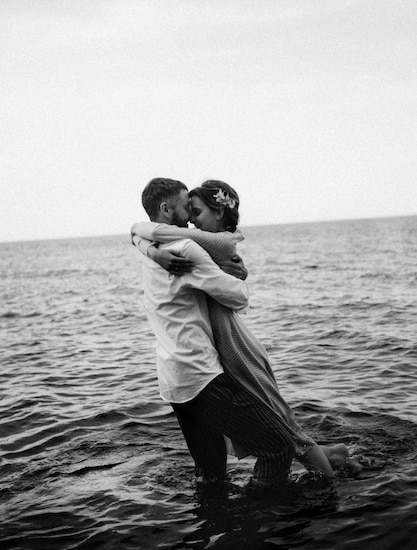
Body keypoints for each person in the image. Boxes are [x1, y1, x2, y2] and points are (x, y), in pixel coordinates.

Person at [132, 179, 349, 477]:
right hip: (206, 361)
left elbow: (144, 230)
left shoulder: (183, 246)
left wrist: (145, 246)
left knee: (264, 433)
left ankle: (322, 482)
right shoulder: (180, 247)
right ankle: (295, 487)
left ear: (219, 213)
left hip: (209, 357)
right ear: (167, 209)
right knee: (277, 434)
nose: (191, 220)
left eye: (195, 211)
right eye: (187, 210)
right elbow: (147, 232)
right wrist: (148, 246)